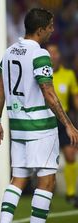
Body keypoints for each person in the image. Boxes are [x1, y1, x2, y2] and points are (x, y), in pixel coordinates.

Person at [0, 8, 78, 223]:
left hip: (18, 127)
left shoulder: (9, 52)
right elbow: (48, 91)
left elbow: (1, 88)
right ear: (39, 30)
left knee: (18, 179)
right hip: (41, 128)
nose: (52, 31)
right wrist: (67, 123)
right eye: (49, 27)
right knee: (46, 181)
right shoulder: (40, 54)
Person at [46, 43, 78, 207]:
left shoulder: (69, 75)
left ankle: (71, 193)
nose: (53, 56)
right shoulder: (43, 74)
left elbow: (75, 99)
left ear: (59, 56)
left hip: (64, 120)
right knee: (47, 162)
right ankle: (46, 195)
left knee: (71, 155)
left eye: (55, 53)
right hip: (47, 119)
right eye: (49, 53)